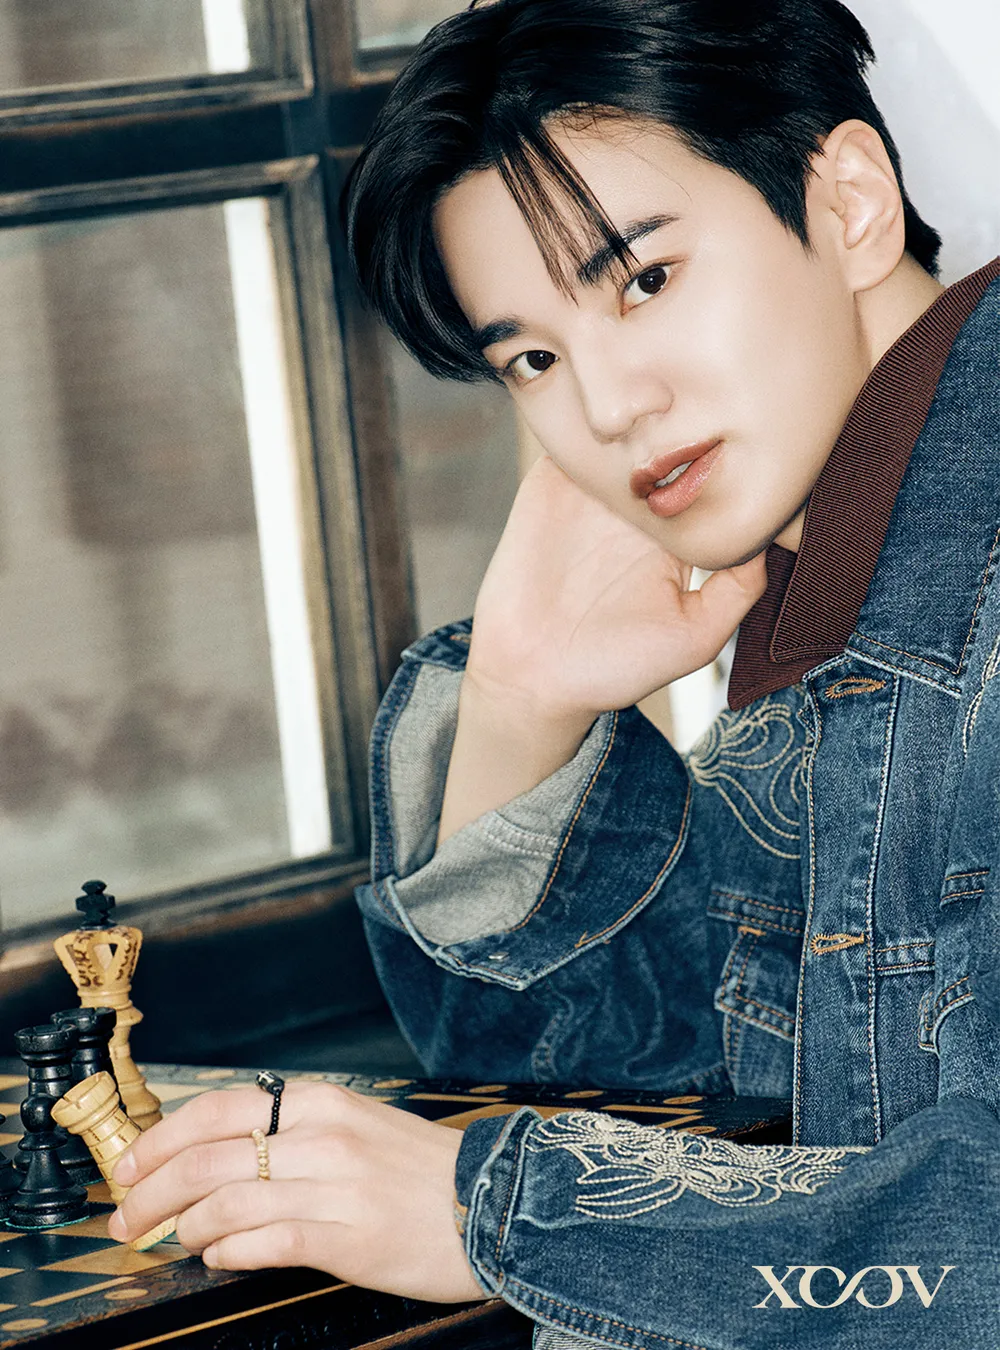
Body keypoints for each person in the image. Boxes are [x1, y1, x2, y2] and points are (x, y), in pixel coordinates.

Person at [107, 0, 1000, 1343]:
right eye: (532, 356)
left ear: (852, 201)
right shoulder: (838, 591)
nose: (607, 407)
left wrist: (508, 1214)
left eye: (643, 280)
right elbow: (643, 1085)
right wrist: (522, 703)